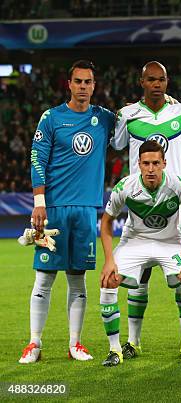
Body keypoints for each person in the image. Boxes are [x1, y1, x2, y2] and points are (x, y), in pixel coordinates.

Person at [111, 61, 181, 359]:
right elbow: (115, 144)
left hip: (176, 210)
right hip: (138, 211)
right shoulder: (128, 115)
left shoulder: (180, 111)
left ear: (167, 82)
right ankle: (132, 341)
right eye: (151, 80)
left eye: (161, 80)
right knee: (136, 281)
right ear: (141, 81)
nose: (157, 84)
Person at [19, 60, 116, 364]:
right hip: (55, 211)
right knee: (44, 277)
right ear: (69, 84)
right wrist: (39, 202)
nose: (83, 87)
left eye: (88, 82)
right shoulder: (51, 118)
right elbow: (37, 158)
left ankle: (76, 344)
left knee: (77, 280)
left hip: (87, 211)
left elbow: (136, 119)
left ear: (94, 86)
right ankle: (34, 344)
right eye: (78, 81)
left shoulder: (104, 119)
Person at [99, 140, 181, 366]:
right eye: (146, 163)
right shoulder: (126, 186)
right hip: (136, 241)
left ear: (164, 163)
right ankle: (114, 350)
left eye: (156, 163)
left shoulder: (178, 185)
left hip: (170, 241)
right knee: (108, 281)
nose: (151, 168)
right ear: (138, 164)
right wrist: (109, 261)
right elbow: (106, 223)